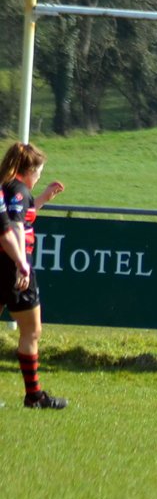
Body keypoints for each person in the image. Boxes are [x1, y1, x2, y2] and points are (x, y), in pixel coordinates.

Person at [1, 141, 67, 409]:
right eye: (39, 171)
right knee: (32, 330)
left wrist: (42, 199)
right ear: (29, 170)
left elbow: (21, 216)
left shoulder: (9, 188)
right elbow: (16, 227)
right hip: (13, 266)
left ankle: (34, 395)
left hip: (5, 263)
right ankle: (34, 395)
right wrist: (21, 264)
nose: (39, 176)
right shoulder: (18, 190)